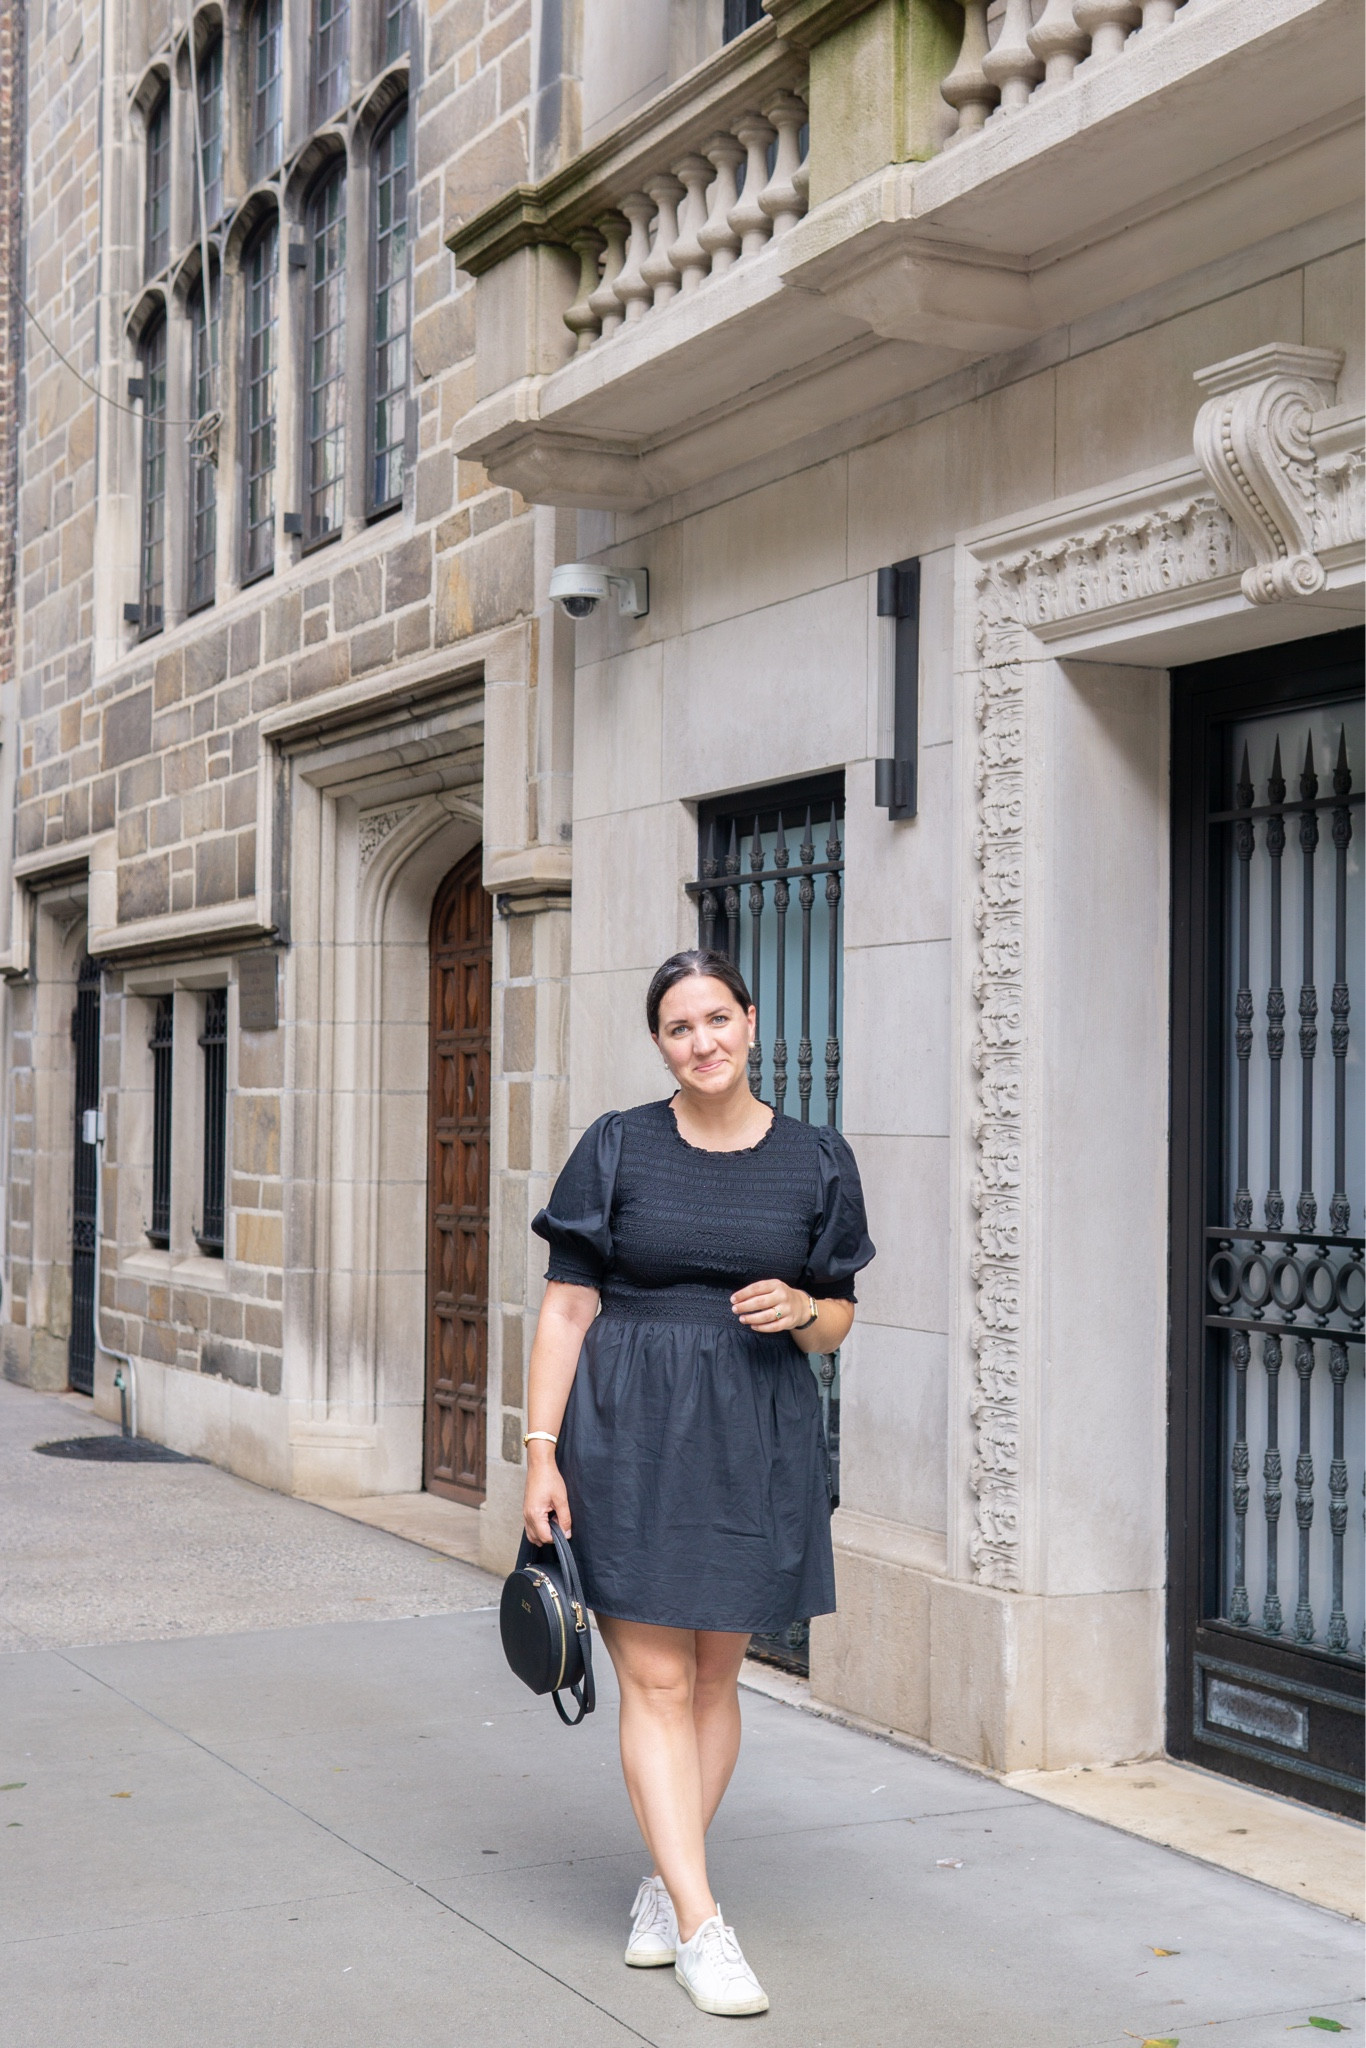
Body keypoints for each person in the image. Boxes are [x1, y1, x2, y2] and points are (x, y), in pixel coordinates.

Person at [523, 948, 875, 2018]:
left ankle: (664, 1888)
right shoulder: (617, 1146)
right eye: (679, 1027)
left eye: (717, 1018)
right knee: (659, 1684)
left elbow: (840, 1311)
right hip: (627, 1431)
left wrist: (800, 1312)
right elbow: (566, 1307)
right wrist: (539, 1448)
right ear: (660, 1043)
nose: (702, 1040)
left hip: (756, 1434)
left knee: (719, 1680)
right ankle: (703, 1925)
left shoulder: (817, 1157)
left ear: (752, 1022)